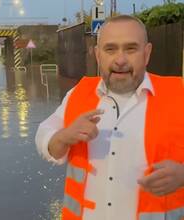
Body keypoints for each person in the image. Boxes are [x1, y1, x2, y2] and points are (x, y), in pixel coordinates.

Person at [35, 15, 184, 220]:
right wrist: (63, 137)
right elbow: (43, 135)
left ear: (147, 53)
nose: (120, 59)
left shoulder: (179, 95)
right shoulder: (79, 94)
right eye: (110, 49)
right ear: (98, 55)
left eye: (130, 49)